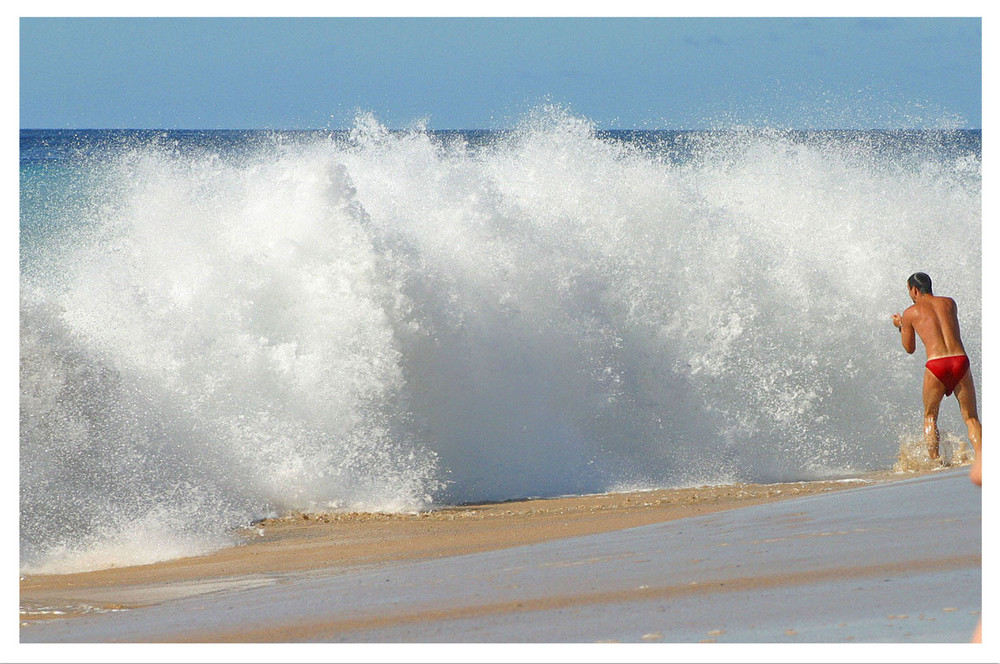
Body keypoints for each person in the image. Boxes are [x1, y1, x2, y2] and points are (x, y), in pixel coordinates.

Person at [891, 272, 981, 468]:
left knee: (930, 416)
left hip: (936, 364)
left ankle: (935, 461)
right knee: (971, 417)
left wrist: (901, 326)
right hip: (960, 361)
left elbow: (910, 348)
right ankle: (983, 457)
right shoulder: (950, 303)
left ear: (914, 289)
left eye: (909, 291)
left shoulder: (910, 313)